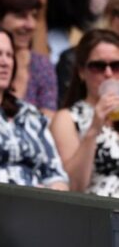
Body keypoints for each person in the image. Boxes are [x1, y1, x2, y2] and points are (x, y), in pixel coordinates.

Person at [0, 24, 68, 189]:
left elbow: (55, 174)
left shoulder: (30, 114)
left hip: (39, 208)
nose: (5, 62)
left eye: (9, 55)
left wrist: (50, 197)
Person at [51, 29, 119, 197]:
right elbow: (74, 187)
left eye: (116, 66)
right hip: (100, 213)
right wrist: (94, 128)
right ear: (81, 72)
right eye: (98, 66)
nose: (108, 73)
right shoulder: (67, 118)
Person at [0, 0, 57, 118]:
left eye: (34, 16)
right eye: (21, 16)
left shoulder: (41, 65)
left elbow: (48, 124)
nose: (31, 25)